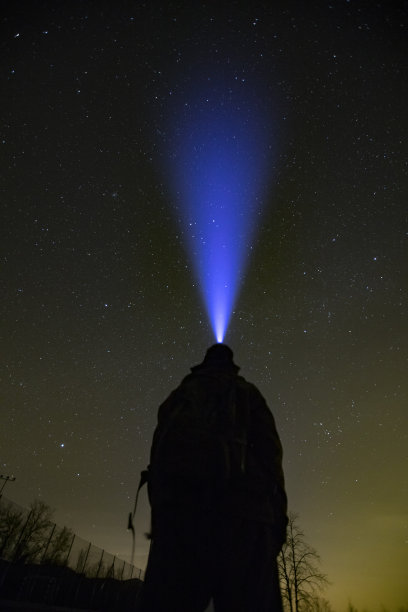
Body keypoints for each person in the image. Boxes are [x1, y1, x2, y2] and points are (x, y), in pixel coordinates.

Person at [139, 343, 288, 612]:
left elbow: (158, 458)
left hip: (180, 519)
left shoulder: (178, 397)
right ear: (232, 365)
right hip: (245, 522)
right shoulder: (248, 394)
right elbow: (271, 458)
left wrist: (162, 513)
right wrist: (277, 521)